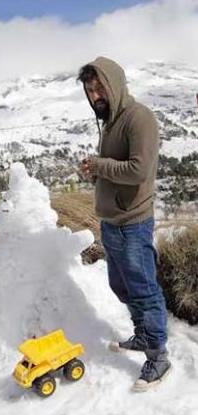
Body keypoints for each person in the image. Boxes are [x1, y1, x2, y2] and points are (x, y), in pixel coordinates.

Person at [78, 56, 171, 392]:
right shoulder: (110, 121)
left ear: (115, 83)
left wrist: (101, 166)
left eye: (100, 85)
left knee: (144, 290)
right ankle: (144, 334)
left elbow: (139, 170)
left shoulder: (139, 118)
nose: (95, 93)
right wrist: (95, 171)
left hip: (133, 223)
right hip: (112, 223)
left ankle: (158, 356)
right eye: (90, 89)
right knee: (122, 287)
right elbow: (113, 169)